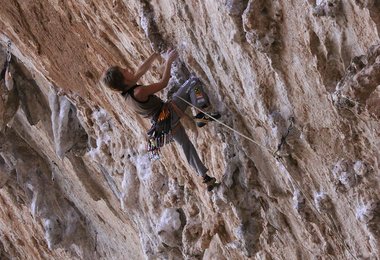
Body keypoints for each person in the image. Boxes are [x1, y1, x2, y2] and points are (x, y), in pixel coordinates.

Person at [102, 50, 220, 191]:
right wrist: (168, 61)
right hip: (169, 113)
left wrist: (154, 55)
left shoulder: (127, 93)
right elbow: (163, 83)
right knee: (193, 83)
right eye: (124, 71)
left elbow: (140, 70)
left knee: (186, 146)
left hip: (163, 126)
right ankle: (201, 114)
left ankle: (206, 178)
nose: (127, 69)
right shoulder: (138, 92)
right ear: (124, 80)